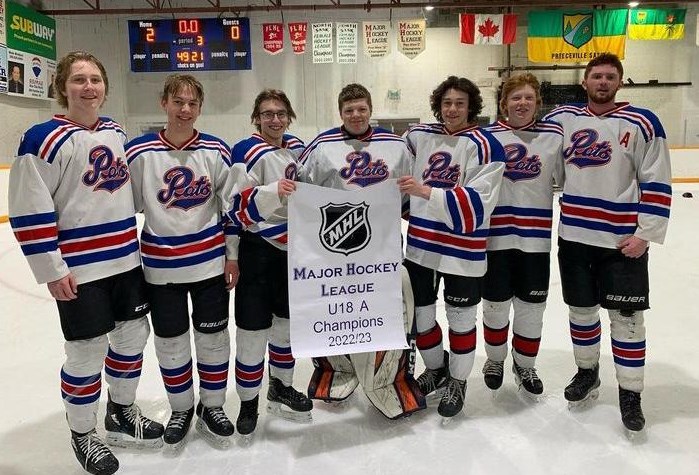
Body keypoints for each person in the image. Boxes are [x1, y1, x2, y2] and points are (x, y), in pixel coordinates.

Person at [8, 51, 163, 475]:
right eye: (79, 79)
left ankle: (121, 411)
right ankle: (83, 433)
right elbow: (28, 208)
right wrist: (51, 268)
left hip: (126, 262)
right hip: (81, 269)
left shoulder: (115, 132)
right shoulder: (40, 138)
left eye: (95, 79)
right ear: (63, 87)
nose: (89, 87)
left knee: (132, 339)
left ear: (105, 87)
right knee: (85, 353)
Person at [544, 53, 672, 433]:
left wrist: (646, 234)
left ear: (620, 82)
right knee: (581, 314)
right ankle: (587, 373)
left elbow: (657, 180)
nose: (602, 81)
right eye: (596, 76)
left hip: (621, 242)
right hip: (575, 237)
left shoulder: (643, 122)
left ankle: (630, 394)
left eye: (610, 76)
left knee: (628, 321)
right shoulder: (561, 121)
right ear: (585, 81)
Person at [125, 74, 240, 451]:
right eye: (178, 102)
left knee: (214, 342)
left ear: (200, 108)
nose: (185, 110)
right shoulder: (139, 152)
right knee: (171, 345)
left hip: (209, 267)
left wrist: (232, 256)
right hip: (161, 270)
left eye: (192, 103)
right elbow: (124, 205)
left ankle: (213, 407)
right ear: (164, 104)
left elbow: (233, 208)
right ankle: (181, 409)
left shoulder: (216, 151)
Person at [298, 83, 425, 419]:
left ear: (371, 109)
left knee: (388, 313)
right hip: (335, 252)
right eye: (349, 110)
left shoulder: (396, 146)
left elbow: (410, 196)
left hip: (384, 251)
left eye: (361, 109)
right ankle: (338, 369)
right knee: (338, 312)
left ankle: (388, 377)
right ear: (340, 113)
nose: (356, 115)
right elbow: (303, 195)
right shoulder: (322, 147)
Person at [398, 76, 505, 420]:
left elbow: (479, 203)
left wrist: (426, 192)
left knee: (461, 320)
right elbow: (395, 175)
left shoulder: (486, 145)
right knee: (423, 316)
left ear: (471, 106)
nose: (453, 109)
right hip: (422, 247)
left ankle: (458, 380)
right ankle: (436, 369)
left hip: (463, 250)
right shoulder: (418, 138)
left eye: (460, 103)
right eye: (447, 103)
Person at [226, 89, 313, 438]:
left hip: (292, 254)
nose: (274, 119)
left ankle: (282, 386)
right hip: (257, 251)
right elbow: (233, 207)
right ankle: (249, 403)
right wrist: (232, 257)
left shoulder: (296, 148)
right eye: (267, 113)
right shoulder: (245, 151)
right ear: (256, 118)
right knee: (251, 332)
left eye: (280, 113)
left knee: (286, 328)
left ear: (288, 116)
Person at [480, 73, 564, 397]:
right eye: (515, 98)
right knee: (495, 305)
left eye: (529, 97)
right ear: (503, 104)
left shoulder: (553, 137)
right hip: (495, 239)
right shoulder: (486, 139)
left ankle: (525, 364)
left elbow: (574, 180)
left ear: (537, 103)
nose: (522, 103)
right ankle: (496, 360)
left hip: (535, 240)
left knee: (532, 307)